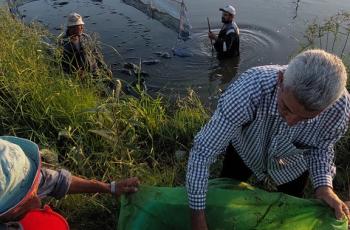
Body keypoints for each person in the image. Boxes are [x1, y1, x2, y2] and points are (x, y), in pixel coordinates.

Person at [186, 49, 350, 229]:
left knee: (287, 211)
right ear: (280, 80)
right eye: (286, 107)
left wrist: (324, 186)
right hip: (246, 150)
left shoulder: (339, 108)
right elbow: (203, 152)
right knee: (226, 194)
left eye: (305, 118)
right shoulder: (249, 89)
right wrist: (198, 219)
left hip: (293, 166)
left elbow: (321, 148)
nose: (291, 121)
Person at [0, 136, 139, 229]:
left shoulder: (16, 173)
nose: (38, 202)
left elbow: (58, 181)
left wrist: (110, 187)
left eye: (34, 187)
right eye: (21, 202)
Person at [59, 12, 110, 76]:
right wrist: (74, 73)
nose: (82, 28)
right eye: (80, 26)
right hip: (76, 76)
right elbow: (61, 64)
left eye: (82, 25)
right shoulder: (63, 42)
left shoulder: (86, 37)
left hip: (93, 71)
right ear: (71, 28)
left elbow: (95, 54)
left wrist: (105, 68)